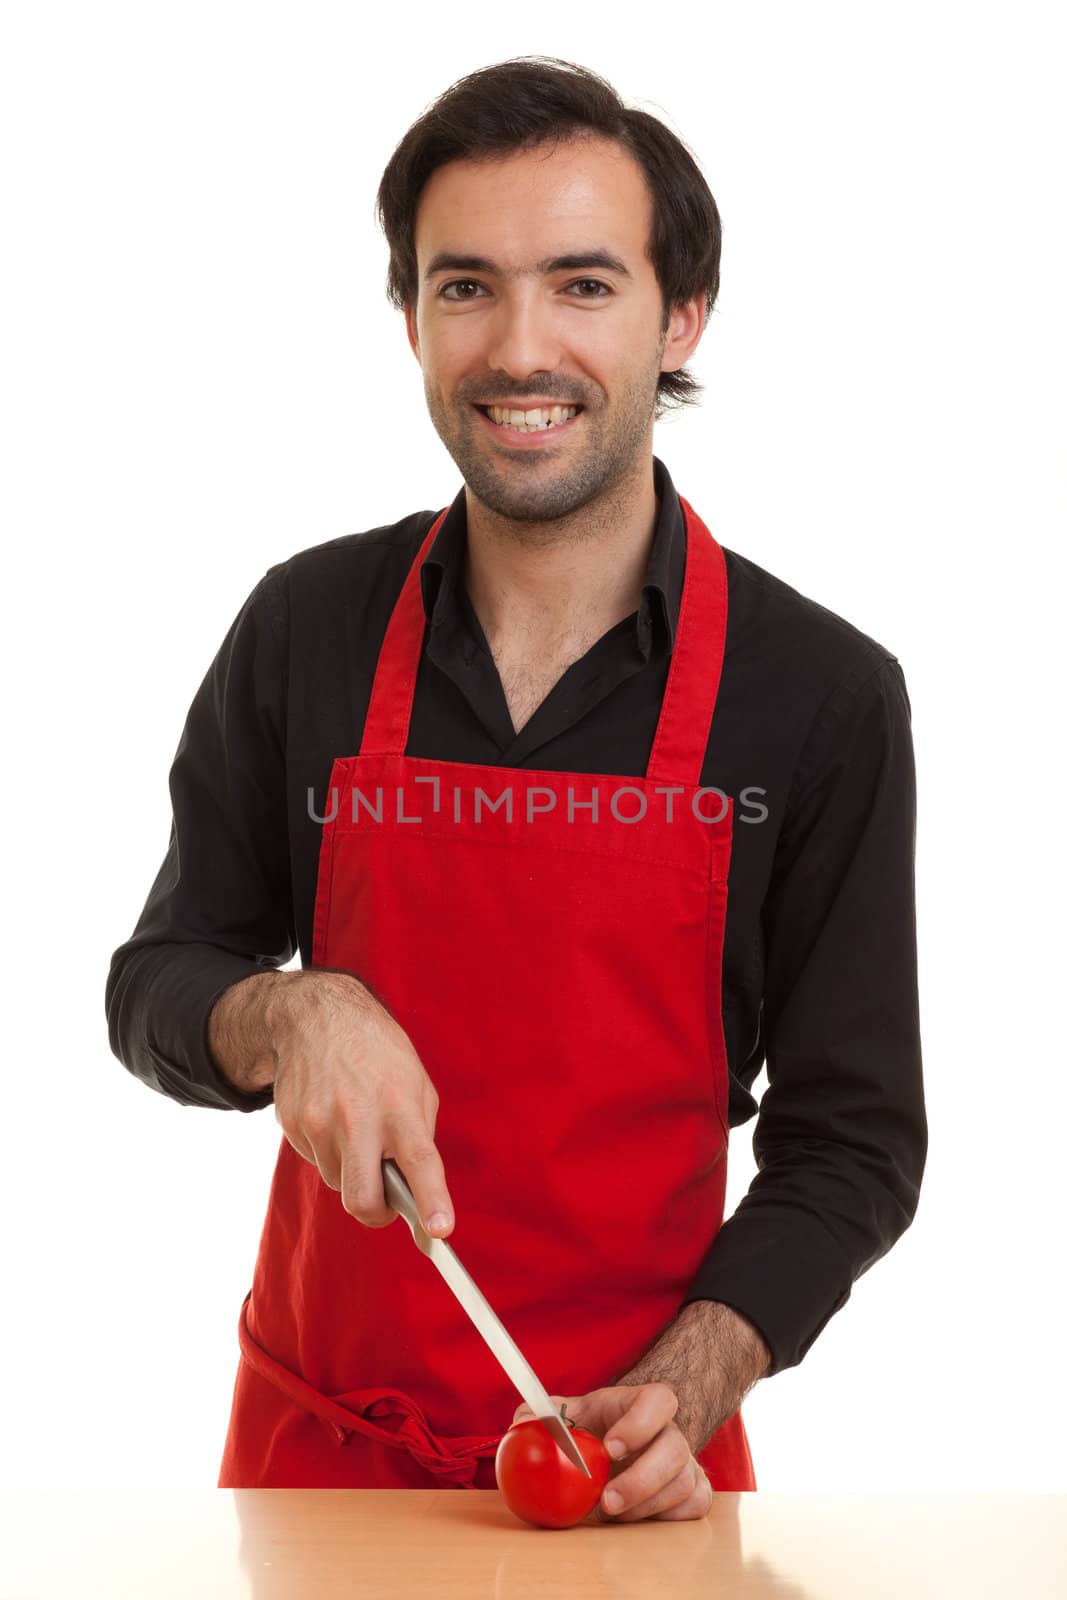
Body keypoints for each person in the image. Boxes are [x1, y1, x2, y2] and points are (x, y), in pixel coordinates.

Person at [105, 55, 927, 1520]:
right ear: (412, 318)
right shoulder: (306, 628)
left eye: (585, 285)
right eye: (466, 286)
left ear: (681, 315)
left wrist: (702, 1372)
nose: (518, 348)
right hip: (319, 1471)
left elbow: (852, 1141)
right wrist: (290, 1008)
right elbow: (159, 981)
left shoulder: (820, 698)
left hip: (629, 1478)